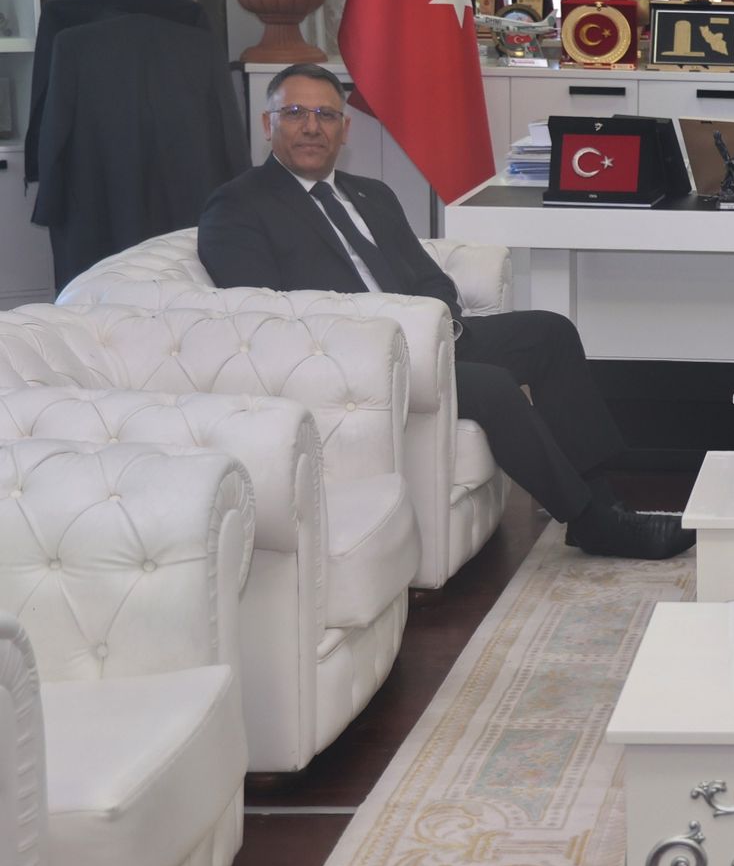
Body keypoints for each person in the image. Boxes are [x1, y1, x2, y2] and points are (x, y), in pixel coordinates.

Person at [199, 63, 693, 562]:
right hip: (352, 362)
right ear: (267, 123)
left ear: (344, 129)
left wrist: (444, 326)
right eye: (294, 113)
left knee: (550, 333)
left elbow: (428, 277)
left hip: (428, 338)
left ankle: (604, 500)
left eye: (326, 115)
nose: (311, 127)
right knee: (492, 384)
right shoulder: (238, 206)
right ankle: (591, 522)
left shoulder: (371, 193)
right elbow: (266, 317)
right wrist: (395, 341)